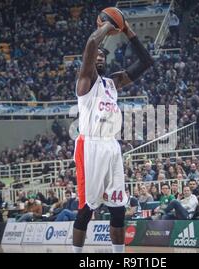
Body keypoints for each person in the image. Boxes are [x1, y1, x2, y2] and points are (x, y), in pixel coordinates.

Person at [72, 17, 154, 254]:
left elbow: (146, 61)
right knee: (87, 208)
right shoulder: (85, 83)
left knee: (118, 208)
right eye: (96, 55)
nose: (99, 57)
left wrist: (128, 31)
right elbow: (90, 43)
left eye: (103, 56)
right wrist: (108, 25)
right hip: (90, 146)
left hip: (111, 146)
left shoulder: (112, 83)